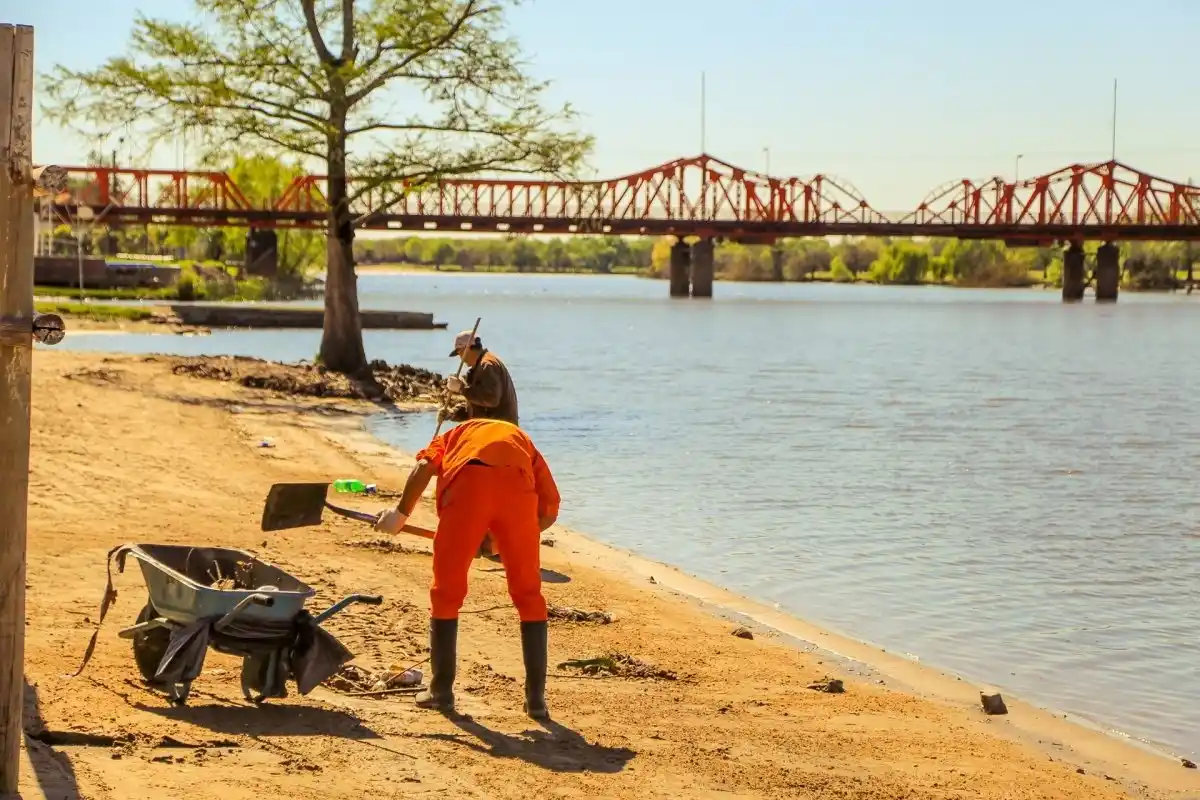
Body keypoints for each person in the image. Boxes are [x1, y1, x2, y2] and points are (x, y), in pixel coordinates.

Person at [374, 418, 560, 719]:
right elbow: (550, 507)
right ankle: (536, 701)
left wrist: (400, 514)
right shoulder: (522, 439)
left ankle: (441, 692)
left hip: (467, 491)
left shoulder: (452, 436)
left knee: (447, 594)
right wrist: (503, 540)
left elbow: (424, 468)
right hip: (519, 494)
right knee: (529, 596)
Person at [442, 330, 519, 425]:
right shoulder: (480, 366)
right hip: (494, 428)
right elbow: (478, 407)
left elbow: (491, 399)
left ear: (467, 348)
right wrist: (451, 414)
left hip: (499, 431)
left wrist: (461, 388)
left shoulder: (487, 365)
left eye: (460, 353)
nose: (461, 358)